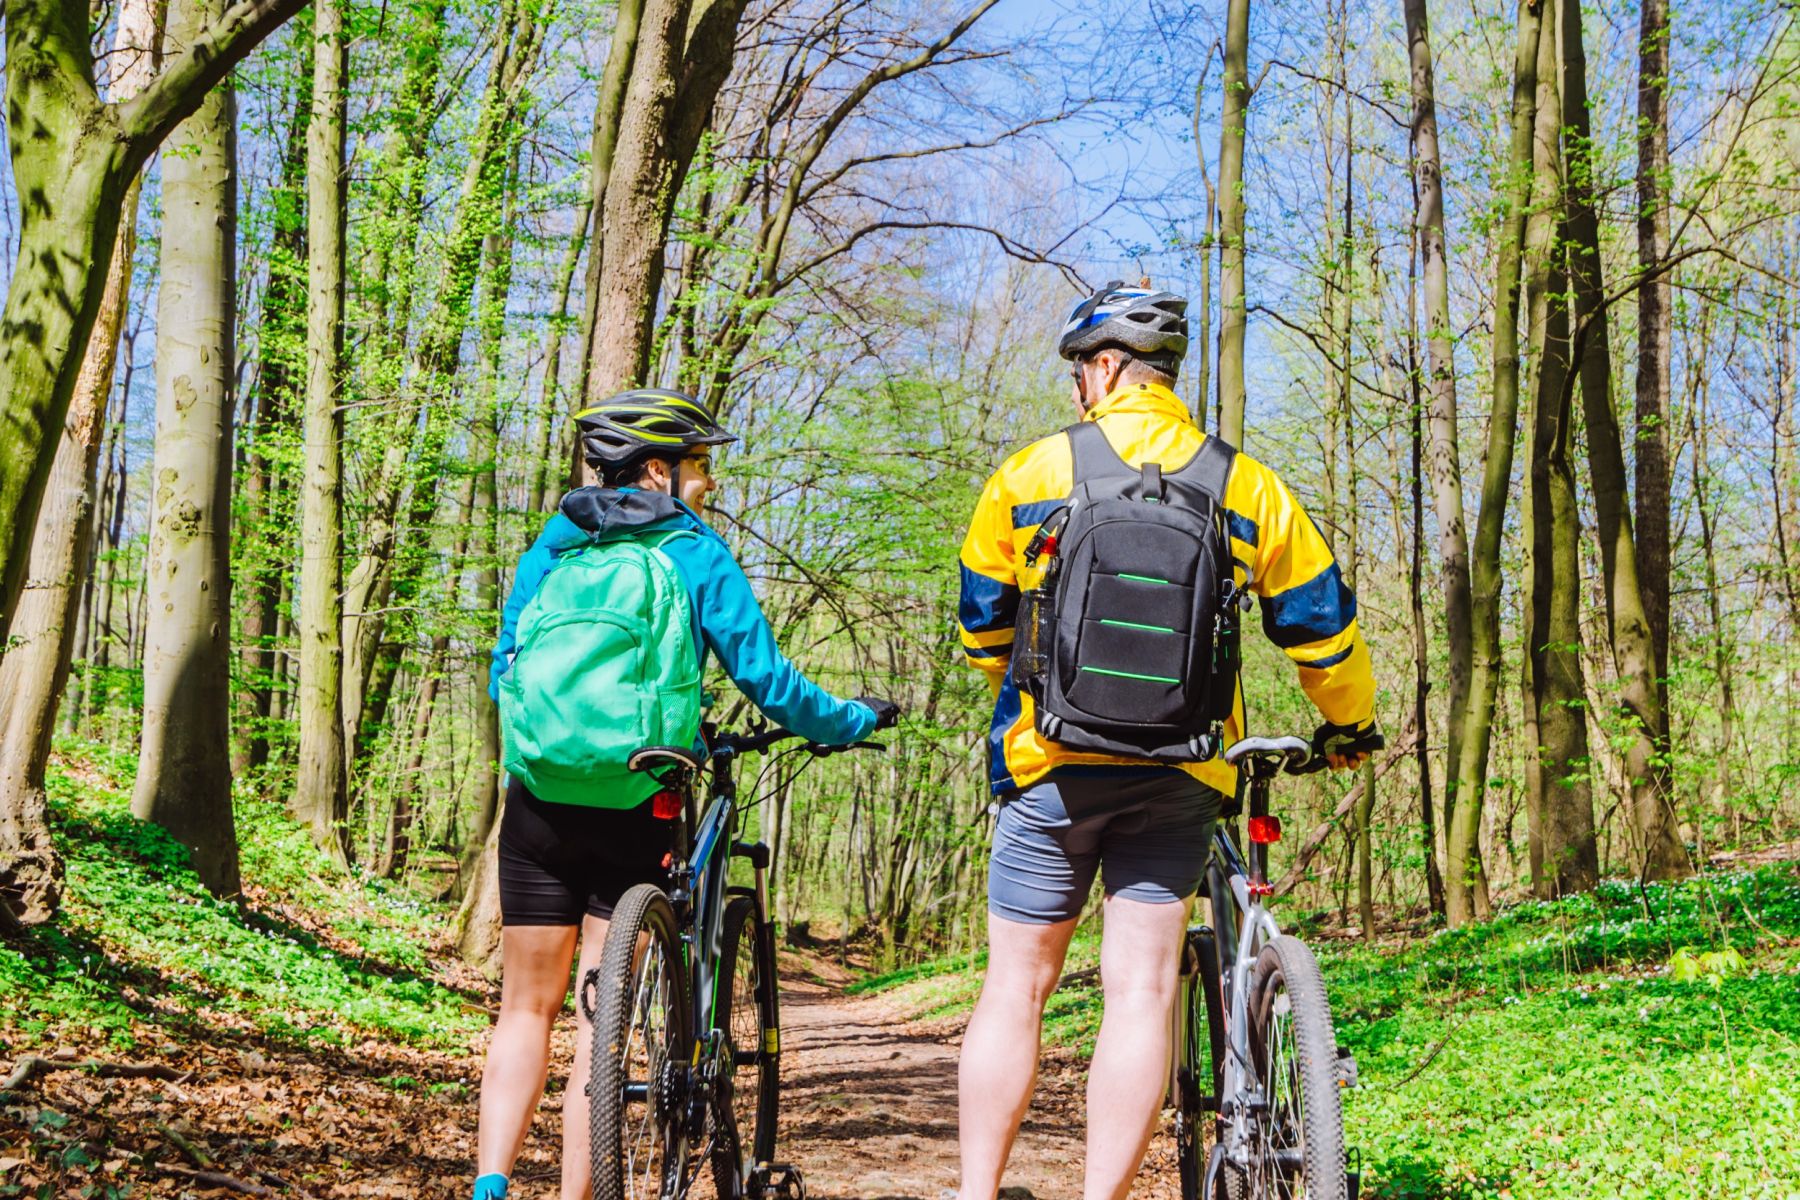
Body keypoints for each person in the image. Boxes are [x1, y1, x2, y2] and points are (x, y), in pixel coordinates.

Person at [954, 283, 1378, 1200]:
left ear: (1105, 368)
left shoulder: (1030, 475)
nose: (1078, 386)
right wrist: (1348, 724)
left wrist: (1041, 685)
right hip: (1182, 772)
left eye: (1080, 370)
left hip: (1049, 767)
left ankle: (976, 1192)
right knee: (1140, 990)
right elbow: (1320, 629)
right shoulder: (1244, 483)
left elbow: (980, 633)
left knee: (1014, 987)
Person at [473, 387, 898, 1200]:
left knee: (524, 1011)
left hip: (537, 803)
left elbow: (507, 671)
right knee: (603, 1031)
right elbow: (769, 681)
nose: (709, 484)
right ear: (659, 472)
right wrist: (847, 721)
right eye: (701, 466)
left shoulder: (552, 551)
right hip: (638, 804)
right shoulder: (693, 552)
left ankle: (490, 1184)